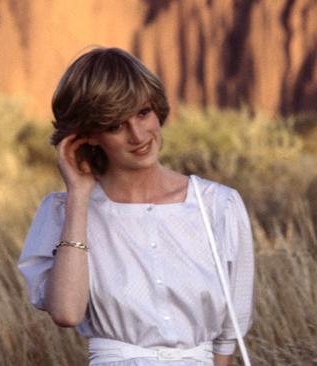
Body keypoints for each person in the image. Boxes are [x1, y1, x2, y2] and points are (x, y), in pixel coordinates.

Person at [18, 47, 254, 366]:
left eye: (143, 113)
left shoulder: (217, 204)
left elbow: (228, 337)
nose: (138, 135)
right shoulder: (63, 210)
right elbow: (67, 312)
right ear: (87, 135)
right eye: (115, 126)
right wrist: (78, 194)